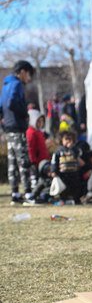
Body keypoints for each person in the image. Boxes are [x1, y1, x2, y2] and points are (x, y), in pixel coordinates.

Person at [1, 60, 34, 203]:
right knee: (23, 161)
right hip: (17, 127)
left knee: (12, 162)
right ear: (22, 72)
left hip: (8, 128)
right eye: (29, 74)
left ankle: (15, 194)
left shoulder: (6, 86)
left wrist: (3, 123)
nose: (29, 78)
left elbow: (2, 106)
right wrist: (25, 114)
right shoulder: (17, 84)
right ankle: (28, 193)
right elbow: (11, 103)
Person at [50, 131, 84, 205]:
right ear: (61, 140)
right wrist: (53, 171)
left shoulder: (75, 150)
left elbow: (79, 159)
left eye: (70, 139)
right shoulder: (59, 151)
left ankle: (76, 199)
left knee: (75, 187)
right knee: (64, 188)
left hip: (74, 173)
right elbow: (54, 161)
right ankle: (63, 199)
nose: (68, 141)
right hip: (63, 174)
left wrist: (73, 150)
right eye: (66, 139)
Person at [26, 109, 50, 194]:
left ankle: (41, 194)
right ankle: (33, 194)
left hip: (43, 162)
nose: (41, 123)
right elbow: (30, 148)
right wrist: (33, 161)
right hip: (36, 162)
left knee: (43, 180)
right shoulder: (31, 132)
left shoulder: (39, 132)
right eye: (38, 121)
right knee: (35, 180)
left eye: (42, 121)